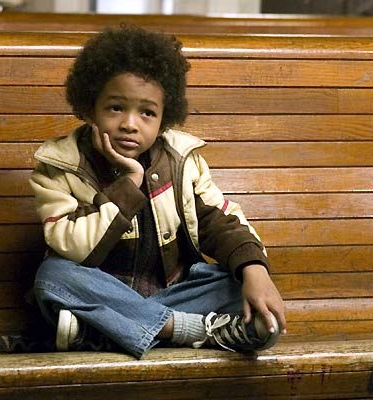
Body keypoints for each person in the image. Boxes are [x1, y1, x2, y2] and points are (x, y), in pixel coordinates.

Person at [29, 26, 286, 359]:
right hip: (100, 290)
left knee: (238, 285)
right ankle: (186, 330)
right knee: (53, 277)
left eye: (147, 112)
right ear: (90, 107)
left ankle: (107, 331)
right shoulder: (58, 167)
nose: (130, 124)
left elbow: (220, 220)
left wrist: (255, 271)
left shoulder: (181, 161)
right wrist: (130, 183)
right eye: (116, 108)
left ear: (165, 119)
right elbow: (74, 248)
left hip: (172, 294)